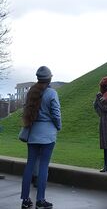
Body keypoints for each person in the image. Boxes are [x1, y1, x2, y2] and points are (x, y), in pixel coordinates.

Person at [20, 66, 62, 209]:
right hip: (48, 136)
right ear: (49, 78)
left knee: (29, 165)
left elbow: (26, 110)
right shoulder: (52, 93)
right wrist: (58, 126)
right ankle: (40, 200)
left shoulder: (31, 92)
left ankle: (25, 200)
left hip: (32, 133)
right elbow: (56, 114)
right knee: (43, 166)